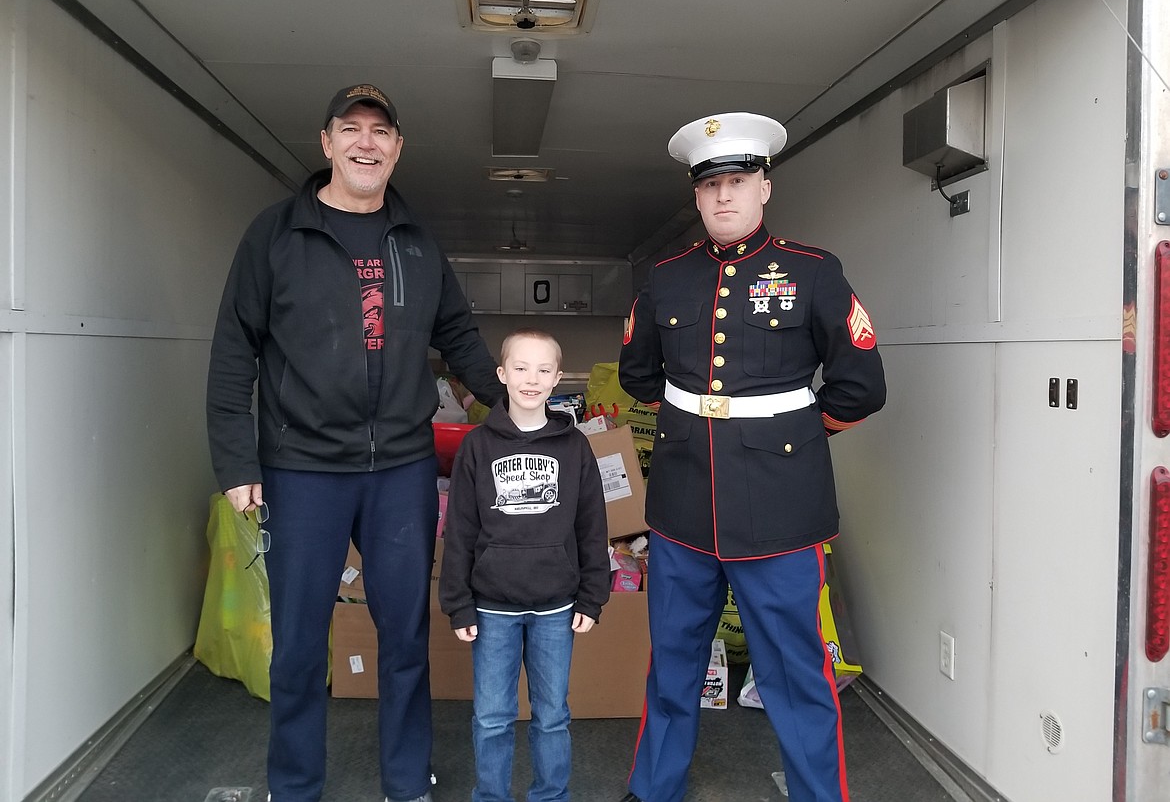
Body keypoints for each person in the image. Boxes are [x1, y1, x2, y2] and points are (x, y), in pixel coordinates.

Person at [206, 83, 504, 802]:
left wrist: (520, 404)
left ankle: (408, 779)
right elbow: (232, 351)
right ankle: (295, 783)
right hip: (301, 467)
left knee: (405, 634)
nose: (366, 143)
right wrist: (236, 461)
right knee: (301, 645)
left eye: (380, 132)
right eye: (352, 129)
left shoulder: (418, 241)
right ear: (327, 143)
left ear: (398, 148)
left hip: (398, 467)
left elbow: (458, 336)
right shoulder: (275, 235)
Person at [617, 113, 886, 802]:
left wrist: (787, 439)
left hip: (782, 513)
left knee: (797, 676)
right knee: (672, 668)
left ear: (765, 186)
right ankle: (653, 791)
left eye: (738, 181)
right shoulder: (667, 277)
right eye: (711, 186)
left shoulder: (813, 271)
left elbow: (860, 386)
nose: (724, 197)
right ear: (697, 196)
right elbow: (639, 375)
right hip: (682, 509)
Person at [439, 328, 611, 802]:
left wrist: (593, 598)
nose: (530, 379)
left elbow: (592, 527)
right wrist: (458, 603)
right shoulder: (477, 446)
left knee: (552, 714)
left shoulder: (576, 448)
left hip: (557, 606)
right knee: (492, 717)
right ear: (501, 375)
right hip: (492, 607)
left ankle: (551, 796)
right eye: (520, 367)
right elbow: (460, 530)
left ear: (557, 379)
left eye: (542, 370)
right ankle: (490, 797)